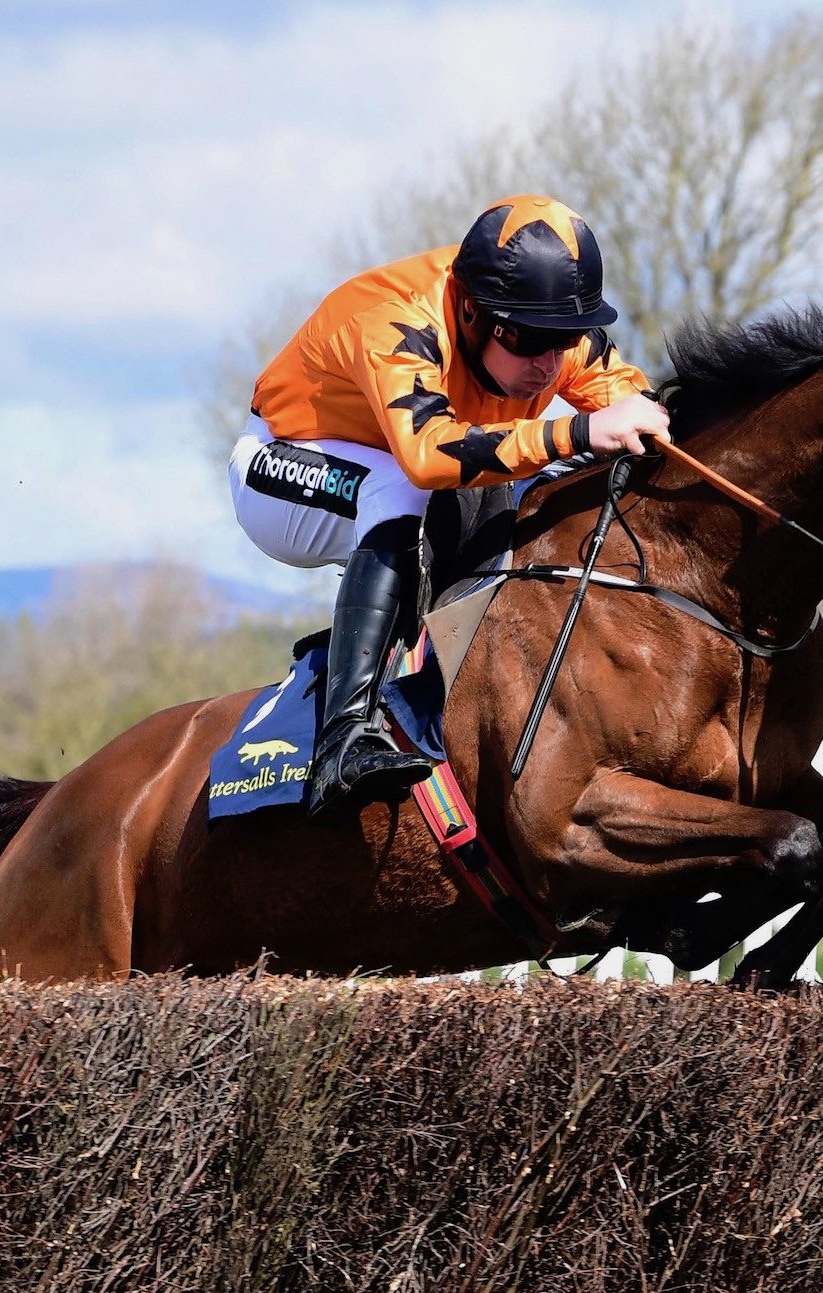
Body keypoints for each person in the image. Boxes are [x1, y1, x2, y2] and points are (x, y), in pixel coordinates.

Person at [229, 195, 671, 823]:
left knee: (516, 491)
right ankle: (343, 741)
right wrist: (573, 433)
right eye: (530, 340)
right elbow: (429, 456)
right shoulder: (395, 322)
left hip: (392, 471)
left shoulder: (539, 328)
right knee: (410, 485)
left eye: (565, 339)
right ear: (470, 310)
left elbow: (632, 399)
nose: (548, 363)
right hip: (281, 469)